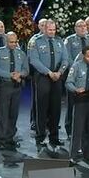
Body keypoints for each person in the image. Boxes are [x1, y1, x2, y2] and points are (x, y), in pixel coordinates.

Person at [28, 19, 69, 149]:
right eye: (49, 30)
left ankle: (54, 137)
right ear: (44, 29)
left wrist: (60, 72)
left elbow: (65, 59)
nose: (52, 32)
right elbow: (34, 60)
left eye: (54, 30)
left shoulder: (59, 41)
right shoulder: (36, 42)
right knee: (42, 108)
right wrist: (48, 72)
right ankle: (40, 137)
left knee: (56, 108)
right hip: (43, 77)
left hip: (57, 77)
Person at [0, 32, 29, 151]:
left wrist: (20, 74)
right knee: (3, 112)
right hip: (4, 86)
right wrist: (9, 75)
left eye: (15, 42)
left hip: (17, 86)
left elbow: (26, 69)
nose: (13, 44)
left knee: (13, 113)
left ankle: (10, 137)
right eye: (11, 42)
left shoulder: (20, 53)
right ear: (6, 41)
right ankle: (1, 138)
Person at [66, 46, 89, 165]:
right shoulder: (76, 66)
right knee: (77, 129)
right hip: (80, 100)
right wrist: (76, 89)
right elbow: (68, 82)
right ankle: (73, 156)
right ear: (83, 55)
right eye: (88, 56)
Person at [64, 19, 89, 137]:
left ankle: (85, 129)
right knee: (72, 104)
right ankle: (70, 129)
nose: (83, 28)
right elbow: (67, 58)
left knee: (87, 103)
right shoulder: (69, 41)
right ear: (75, 28)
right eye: (80, 26)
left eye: (84, 26)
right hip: (74, 77)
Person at [29, 18, 48, 132]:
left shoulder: (52, 39)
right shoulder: (34, 40)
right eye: (42, 25)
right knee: (37, 99)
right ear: (38, 26)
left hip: (50, 74)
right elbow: (30, 57)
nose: (44, 27)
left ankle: (47, 121)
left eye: (46, 24)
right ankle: (34, 121)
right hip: (37, 73)